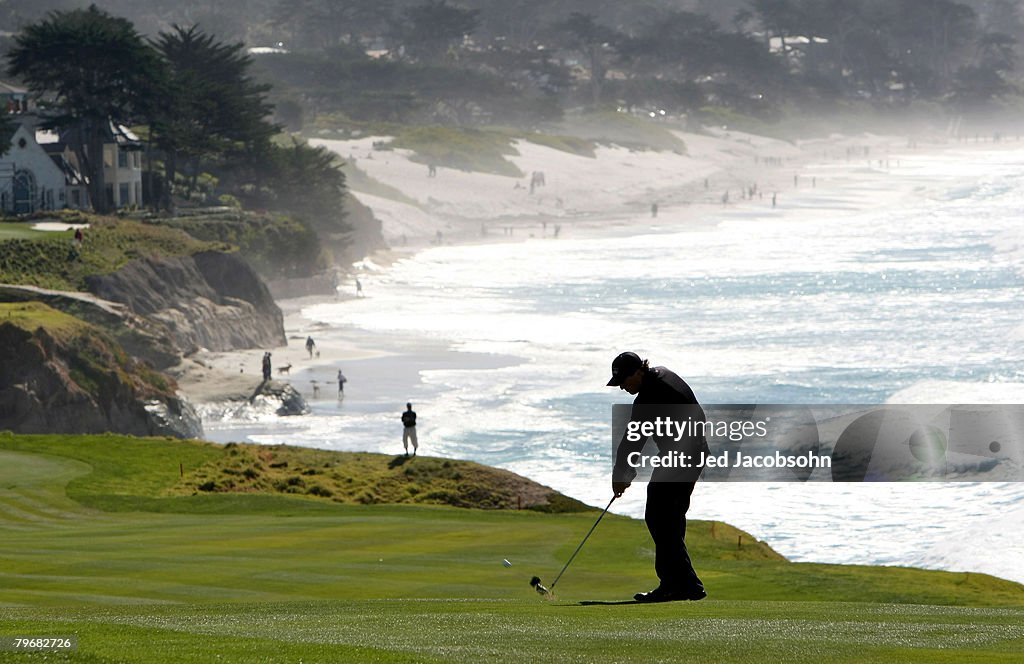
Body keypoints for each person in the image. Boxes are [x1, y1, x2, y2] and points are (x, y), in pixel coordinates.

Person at [607, 351, 708, 603]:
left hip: (682, 456)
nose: (623, 388)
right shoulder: (664, 374)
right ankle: (680, 585)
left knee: (658, 517)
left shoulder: (648, 398)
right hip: (692, 453)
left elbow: (633, 441)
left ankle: (681, 584)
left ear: (639, 372)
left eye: (624, 382)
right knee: (670, 519)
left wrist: (620, 477)